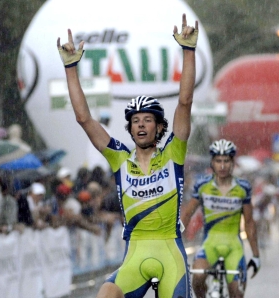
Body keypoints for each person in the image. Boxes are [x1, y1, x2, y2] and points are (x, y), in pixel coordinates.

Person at [57, 13, 197, 298]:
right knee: (105, 294)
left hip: (170, 252)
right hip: (135, 253)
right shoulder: (119, 157)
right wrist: (71, 68)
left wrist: (188, 50)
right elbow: (84, 119)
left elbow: (184, 102)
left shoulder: (173, 151)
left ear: (159, 127)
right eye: (136, 121)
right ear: (130, 129)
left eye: (148, 120)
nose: (141, 125)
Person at [181, 139, 260, 298]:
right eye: (218, 161)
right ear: (212, 162)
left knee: (236, 293)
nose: (222, 166)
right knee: (197, 277)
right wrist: (176, 245)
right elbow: (187, 215)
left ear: (233, 163)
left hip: (234, 246)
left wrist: (256, 255)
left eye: (226, 161)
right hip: (210, 243)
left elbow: (250, 223)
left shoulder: (242, 187)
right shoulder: (203, 185)